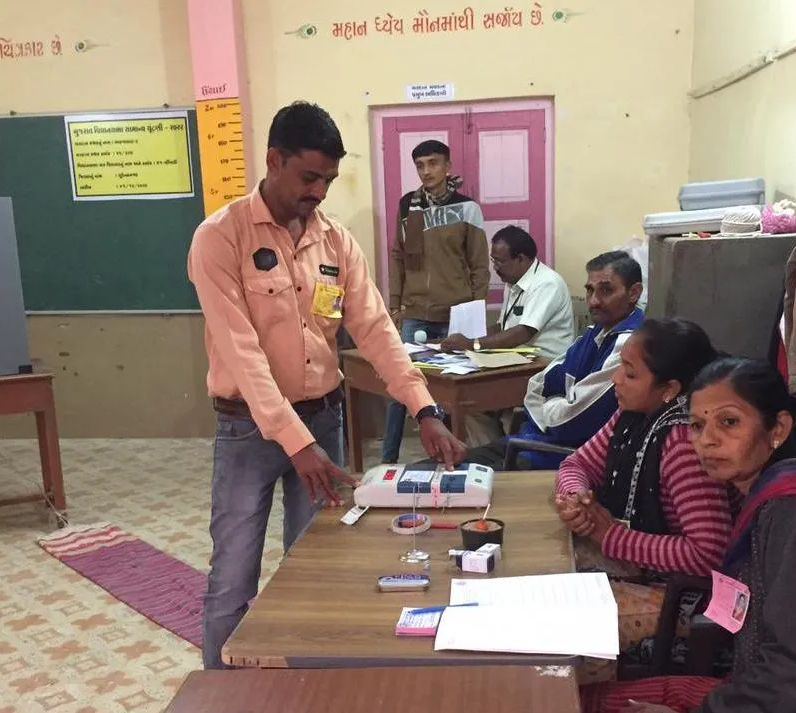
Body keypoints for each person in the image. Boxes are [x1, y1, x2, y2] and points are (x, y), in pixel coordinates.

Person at [187, 101, 467, 671]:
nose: (319, 192)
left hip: (323, 418)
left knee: (318, 563)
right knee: (234, 573)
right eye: (309, 177)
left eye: (329, 181)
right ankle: (218, 689)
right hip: (248, 429)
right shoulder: (220, 238)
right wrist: (297, 445)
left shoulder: (335, 241)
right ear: (274, 160)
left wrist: (425, 408)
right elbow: (243, 356)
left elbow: (375, 328)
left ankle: (312, 685)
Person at [583, 357, 796, 713]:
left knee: (585, 703)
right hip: (782, 690)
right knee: (590, 699)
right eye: (697, 425)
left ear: (777, 428)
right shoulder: (769, 489)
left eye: (729, 422)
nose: (707, 441)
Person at [553, 318, 732, 682]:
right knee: (542, 573)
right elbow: (577, 463)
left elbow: (710, 554)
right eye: (621, 366)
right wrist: (577, 500)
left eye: (630, 373)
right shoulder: (633, 415)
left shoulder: (683, 442)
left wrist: (611, 537)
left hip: (689, 595)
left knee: (561, 624)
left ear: (669, 388)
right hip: (647, 566)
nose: (616, 378)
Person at [382, 139, 489, 464]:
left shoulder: (467, 208)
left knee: (451, 391)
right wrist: (397, 305)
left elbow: (479, 265)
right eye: (420, 165)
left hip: (454, 315)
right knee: (398, 389)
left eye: (433, 163)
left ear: (447, 167)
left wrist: (473, 312)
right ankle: (388, 459)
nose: (426, 171)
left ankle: (450, 456)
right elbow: (398, 258)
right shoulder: (407, 206)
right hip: (414, 312)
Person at [505, 249, 646, 469]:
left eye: (606, 290)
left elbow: (568, 424)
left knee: (461, 475)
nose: (594, 301)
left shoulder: (628, 346)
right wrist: (562, 404)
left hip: (568, 459)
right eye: (590, 290)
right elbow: (538, 384)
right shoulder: (594, 333)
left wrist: (552, 406)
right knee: (456, 462)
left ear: (634, 293)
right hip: (538, 441)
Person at [440, 225, 574, 444]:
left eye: (500, 262)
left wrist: (473, 343)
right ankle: (492, 450)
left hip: (544, 365)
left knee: (470, 400)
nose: (495, 268)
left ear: (521, 259)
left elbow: (522, 332)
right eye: (493, 261)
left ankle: (493, 453)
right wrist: (464, 339)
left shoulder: (547, 284)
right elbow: (503, 327)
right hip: (517, 361)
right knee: (458, 399)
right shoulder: (513, 281)